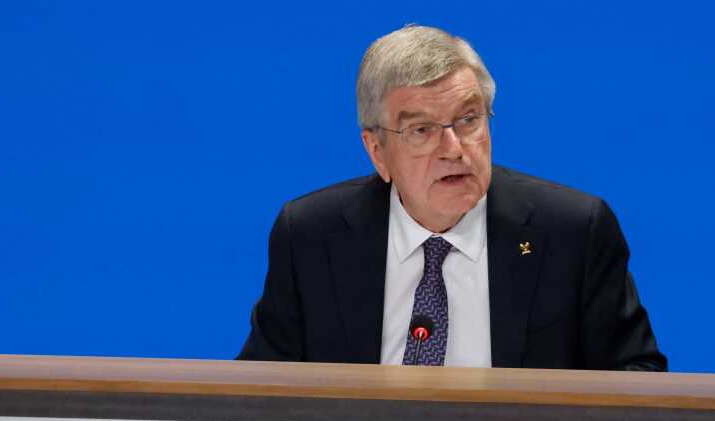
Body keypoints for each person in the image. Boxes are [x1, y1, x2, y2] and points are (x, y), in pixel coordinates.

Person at [238, 25, 666, 371]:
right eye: (421, 130)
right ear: (377, 152)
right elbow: (260, 389)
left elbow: (637, 378)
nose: (455, 148)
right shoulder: (311, 236)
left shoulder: (573, 232)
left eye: (467, 119)